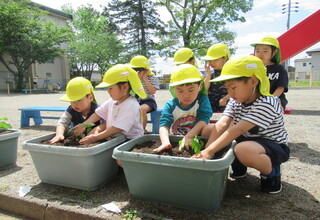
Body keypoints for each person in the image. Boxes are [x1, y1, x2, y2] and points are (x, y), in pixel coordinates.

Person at [192, 55, 290, 194]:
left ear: (253, 81)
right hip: (245, 138)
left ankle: (271, 172)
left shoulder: (268, 103)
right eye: (227, 89)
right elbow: (222, 124)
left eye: (233, 87)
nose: (230, 93)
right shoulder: (235, 100)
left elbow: (238, 129)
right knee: (208, 130)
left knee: (243, 149)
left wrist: (209, 151)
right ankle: (238, 165)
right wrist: (208, 151)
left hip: (272, 145)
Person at [77, 64, 147, 145]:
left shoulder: (130, 105)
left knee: (118, 157)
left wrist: (96, 138)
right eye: (107, 88)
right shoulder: (112, 101)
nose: (108, 91)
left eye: (111, 88)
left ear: (124, 87)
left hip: (130, 141)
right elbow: (98, 114)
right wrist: (84, 125)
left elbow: (117, 128)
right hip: (116, 138)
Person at [154, 64, 213, 153]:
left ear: (200, 86)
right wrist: (165, 142)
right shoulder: (170, 105)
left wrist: (189, 137)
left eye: (191, 90)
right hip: (178, 139)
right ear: (173, 89)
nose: (186, 95)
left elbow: (203, 120)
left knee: (211, 128)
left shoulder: (202, 100)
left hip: (199, 139)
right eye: (180, 90)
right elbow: (164, 124)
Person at [50, 77, 100, 143]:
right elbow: (62, 122)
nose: (74, 104)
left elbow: (106, 124)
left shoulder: (98, 110)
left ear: (90, 97)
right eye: (71, 101)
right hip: (78, 138)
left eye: (78, 100)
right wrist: (59, 134)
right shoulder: (71, 109)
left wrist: (97, 130)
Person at [251, 35, 289, 110]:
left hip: (275, 97)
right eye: (257, 51)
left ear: (274, 52)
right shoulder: (253, 68)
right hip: (257, 99)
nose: (260, 54)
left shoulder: (279, 69)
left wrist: (271, 99)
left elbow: (280, 87)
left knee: (274, 108)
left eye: (265, 51)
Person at [129, 55, 159, 133]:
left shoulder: (153, 78)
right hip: (137, 100)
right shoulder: (134, 79)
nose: (136, 73)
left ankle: (142, 130)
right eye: (134, 70)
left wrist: (145, 79)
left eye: (138, 70)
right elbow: (131, 91)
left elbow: (152, 91)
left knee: (142, 109)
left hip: (148, 101)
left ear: (146, 70)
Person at [202, 43, 231, 112]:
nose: (211, 63)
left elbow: (236, 90)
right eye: (210, 60)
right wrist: (208, 74)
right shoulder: (211, 74)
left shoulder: (230, 73)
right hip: (212, 102)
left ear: (224, 58)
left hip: (226, 101)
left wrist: (225, 98)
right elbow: (205, 89)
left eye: (215, 60)